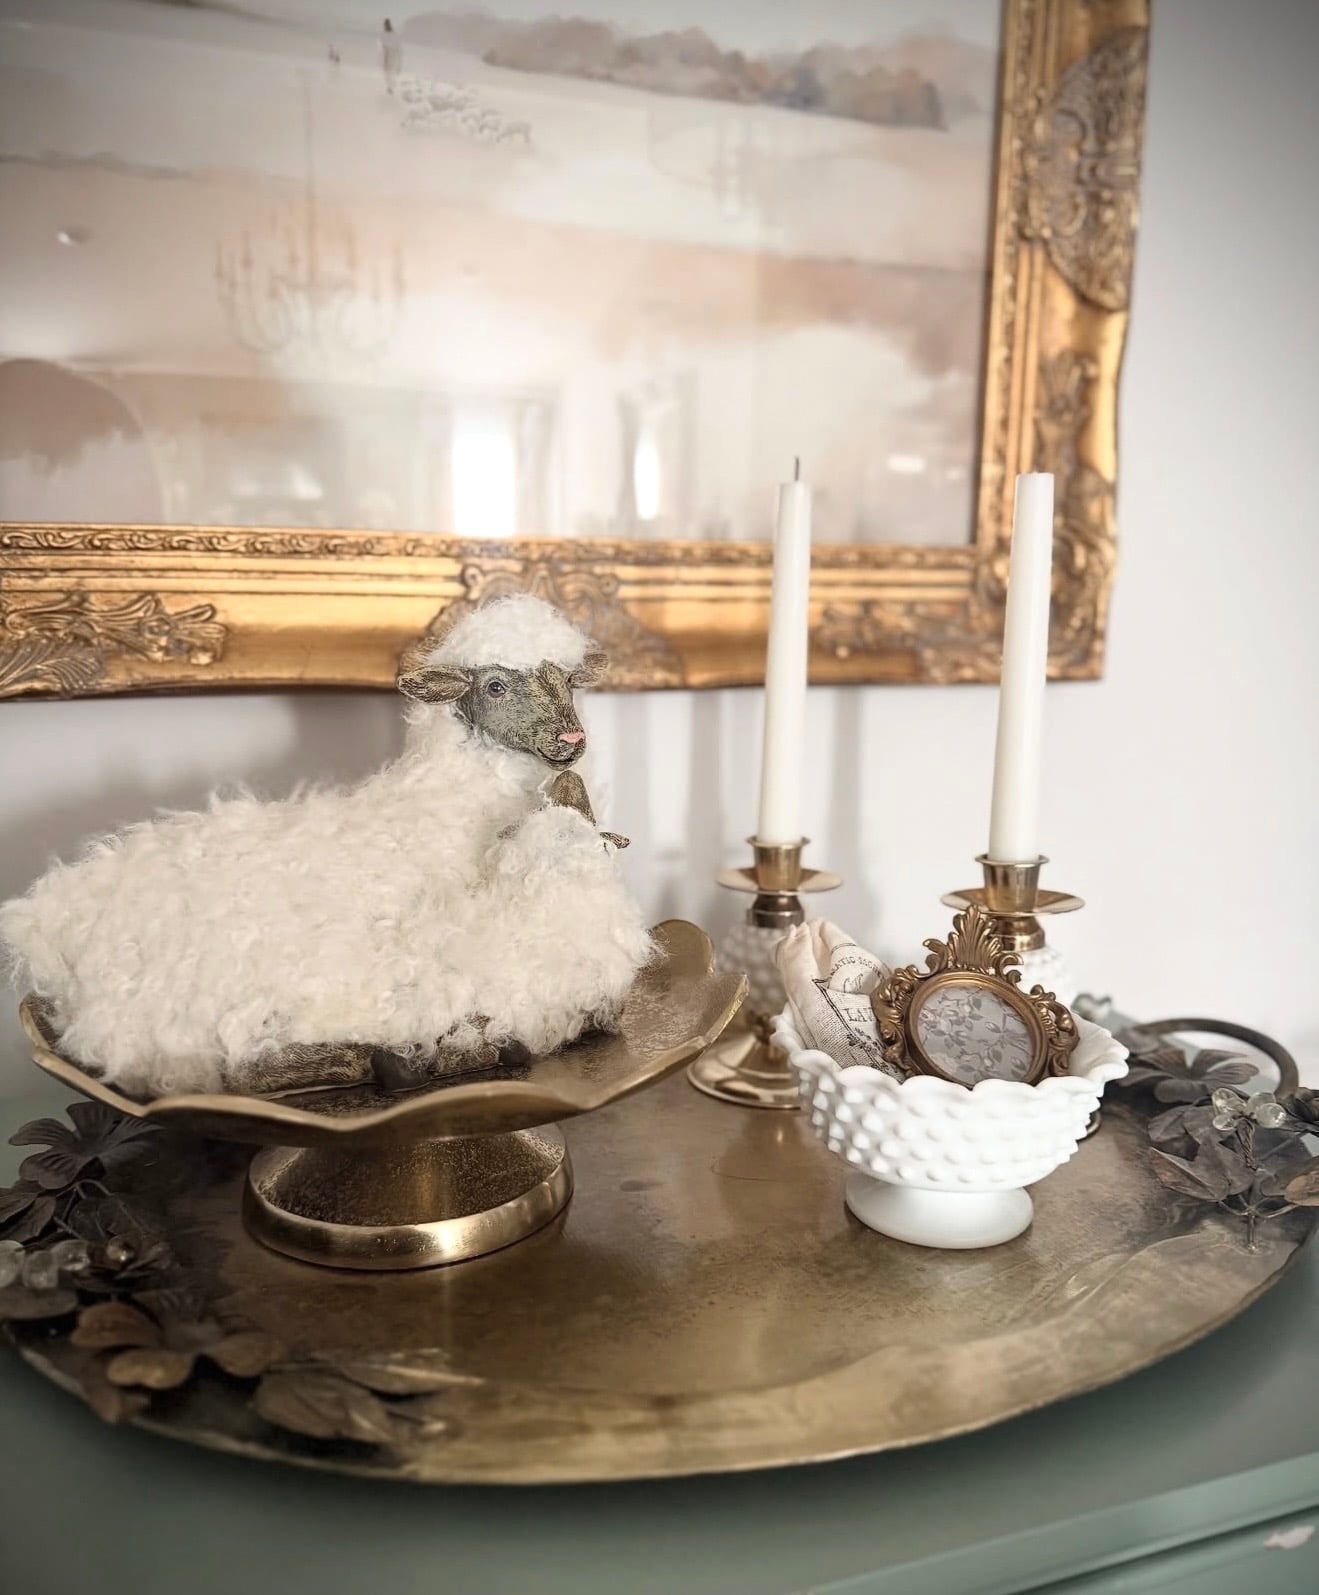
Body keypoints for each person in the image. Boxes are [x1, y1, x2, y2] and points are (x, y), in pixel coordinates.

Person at [380, 18, 401, 94]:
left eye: (385, 25)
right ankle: (390, 88)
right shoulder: (388, 34)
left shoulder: (392, 34)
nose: (385, 27)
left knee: (389, 73)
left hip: (390, 55)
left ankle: (390, 88)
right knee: (388, 73)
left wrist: (399, 62)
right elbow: (383, 46)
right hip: (389, 55)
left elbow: (398, 47)